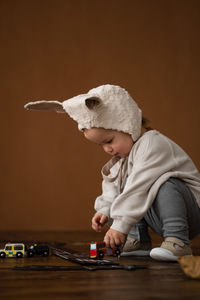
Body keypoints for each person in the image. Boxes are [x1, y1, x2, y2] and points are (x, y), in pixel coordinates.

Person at [24, 84, 200, 261]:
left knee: (160, 184)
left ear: (127, 125)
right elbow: (112, 187)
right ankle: (138, 240)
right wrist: (105, 210)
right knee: (127, 186)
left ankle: (179, 242)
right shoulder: (122, 159)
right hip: (162, 217)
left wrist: (120, 225)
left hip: (191, 213)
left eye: (109, 141)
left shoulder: (153, 145)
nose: (107, 149)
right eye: (101, 145)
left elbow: (137, 188)